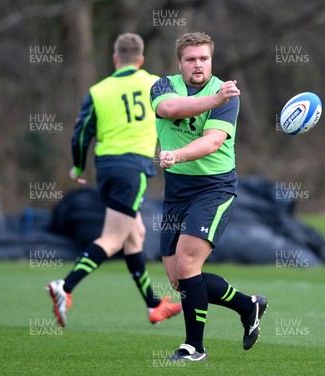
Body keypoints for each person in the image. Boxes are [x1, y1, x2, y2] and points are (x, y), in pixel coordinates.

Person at [47, 33, 182, 328]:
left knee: (135, 234)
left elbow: (81, 133)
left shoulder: (98, 90)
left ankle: (153, 304)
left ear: (115, 59)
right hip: (132, 169)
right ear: (142, 60)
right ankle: (65, 286)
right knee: (113, 238)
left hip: (106, 168)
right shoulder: (154, 83)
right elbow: (176, 113)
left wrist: (77, 167)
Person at [151, 32, 268, 361]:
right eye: (191, 59)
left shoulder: (227, 93)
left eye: (203, 58)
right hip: (176, 193)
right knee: (179, 279)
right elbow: (171, 109)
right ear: (180, 64)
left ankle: (194, 347)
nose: (197, 64)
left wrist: (177, 155)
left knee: (188, 263)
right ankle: (249, 306)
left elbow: (212, 142)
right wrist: (212, 100)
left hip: (214, 188)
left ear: (211, 61)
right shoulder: (162, 86)